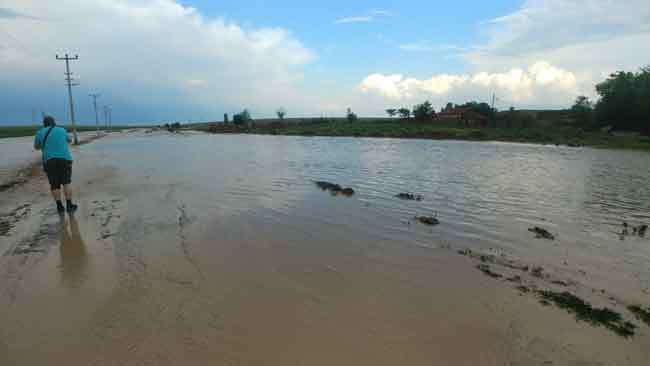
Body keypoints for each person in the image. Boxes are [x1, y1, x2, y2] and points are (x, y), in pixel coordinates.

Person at [34, 116, 78, 214]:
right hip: (64, 159)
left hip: (49, 161)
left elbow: (36, 147)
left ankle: (59, 207)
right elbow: (70, 140)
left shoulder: (39, 132)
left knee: (54, 185)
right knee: (66, 183)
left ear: (44, 124)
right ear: (54, 122)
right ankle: (69, 205)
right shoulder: (62, 130)